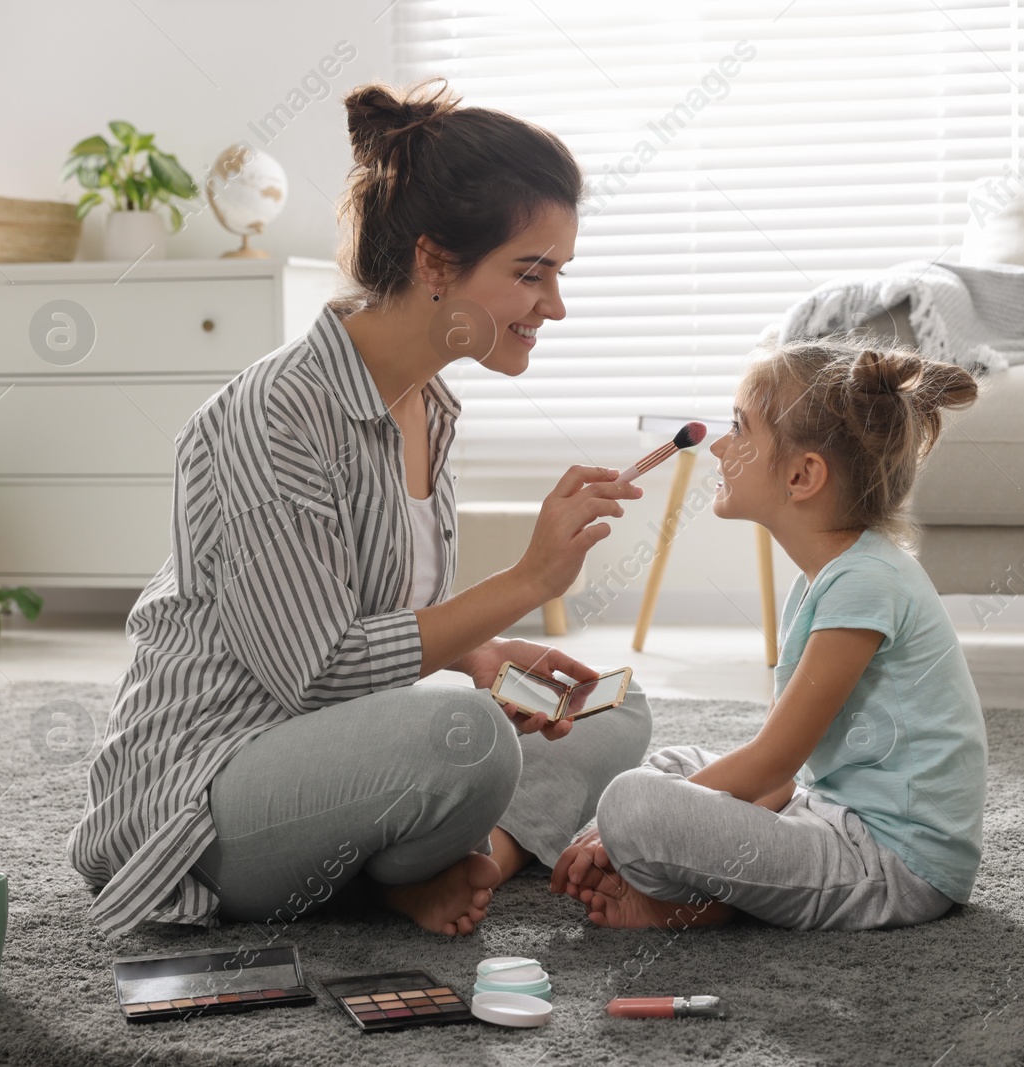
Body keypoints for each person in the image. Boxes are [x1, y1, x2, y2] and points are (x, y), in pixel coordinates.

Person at [67, 76, 651, 940]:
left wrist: (486, 651)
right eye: (532, 274)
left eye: (558, 274)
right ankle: (417, 866)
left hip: (340, 753)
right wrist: (527, 579)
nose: (554, 306)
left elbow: (386, 616)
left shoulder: (429, 404)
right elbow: (317, 672)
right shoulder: (274, 415)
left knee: (611, 707)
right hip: (213, 787)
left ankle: (453, 860)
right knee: (466, 736)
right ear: (434, 263)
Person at [550, 336, 987, 931]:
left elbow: (775, 760)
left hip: (891, 866)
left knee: (631, 802)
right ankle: (692, 890)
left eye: (740, 427)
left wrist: (614, 831)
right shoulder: (827, 579)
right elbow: (784, 774)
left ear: (802, 476)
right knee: (671, 765)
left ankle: (697, 901)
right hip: (830, 814)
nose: (721, 446)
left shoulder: (866, 584)